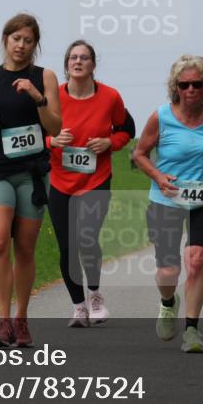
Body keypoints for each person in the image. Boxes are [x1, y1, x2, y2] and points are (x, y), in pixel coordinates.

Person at [0, 13, 61, 347]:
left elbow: (55, 128)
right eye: (15, 38)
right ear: (5, 39)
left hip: (31, 173)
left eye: (28, 40)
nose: (21, 46)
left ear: (36, 45)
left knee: (25, 247)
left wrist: (37, 96)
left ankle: (22, 320)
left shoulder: (44, 77)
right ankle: (3, 321)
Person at [132, 54, 203, 353]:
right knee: (168, 270)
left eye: (197, 84)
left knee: (196, 260)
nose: (191, 90)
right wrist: (157, 175)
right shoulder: (161, 117)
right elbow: (139, 153)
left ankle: (192, 330)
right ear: (175, 87)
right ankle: (168, 302)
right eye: (184, 84)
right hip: (166, 198)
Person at [47, 40, 134, 328]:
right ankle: (78, 307)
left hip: (96, 180)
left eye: (84, 57)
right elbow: (37, 134)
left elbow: (126, 130)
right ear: (66, 64)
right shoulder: (54, 97)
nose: (78, 61)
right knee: (67, 247)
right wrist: (53, 141)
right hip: (60, 182)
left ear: (93, 64)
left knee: (86, 238)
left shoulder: (110, 97)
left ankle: (95, 296)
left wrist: (109, 142)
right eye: (73, 57)